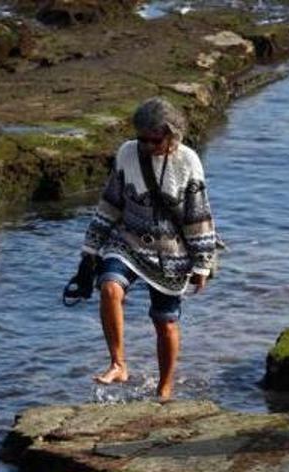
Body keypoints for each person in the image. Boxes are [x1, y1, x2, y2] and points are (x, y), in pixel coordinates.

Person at [81, 97, 217, 401]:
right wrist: (90, 249)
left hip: (172, 252)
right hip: (127, 240)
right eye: (141, 138)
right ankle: (118, 364)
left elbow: (198, 215)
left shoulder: (188, 161)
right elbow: (111, 202)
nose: (146, 145)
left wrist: (202, 264)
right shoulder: (127, 154)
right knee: (109, 289)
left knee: (165, 322)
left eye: (153, 140)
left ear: (172, 135)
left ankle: (164, 389)